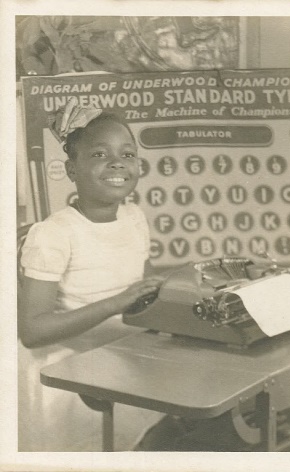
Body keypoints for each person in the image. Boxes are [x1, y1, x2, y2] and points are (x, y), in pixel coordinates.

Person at [18, 97, 165, 451]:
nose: (117, 163)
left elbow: (144, 294)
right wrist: (117, 302)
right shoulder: (53, 233)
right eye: (100, 154)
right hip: (72, 368)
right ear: (72, 170)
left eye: (128, 154)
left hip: (127, 350)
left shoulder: (134, 217)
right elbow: (33, 331)